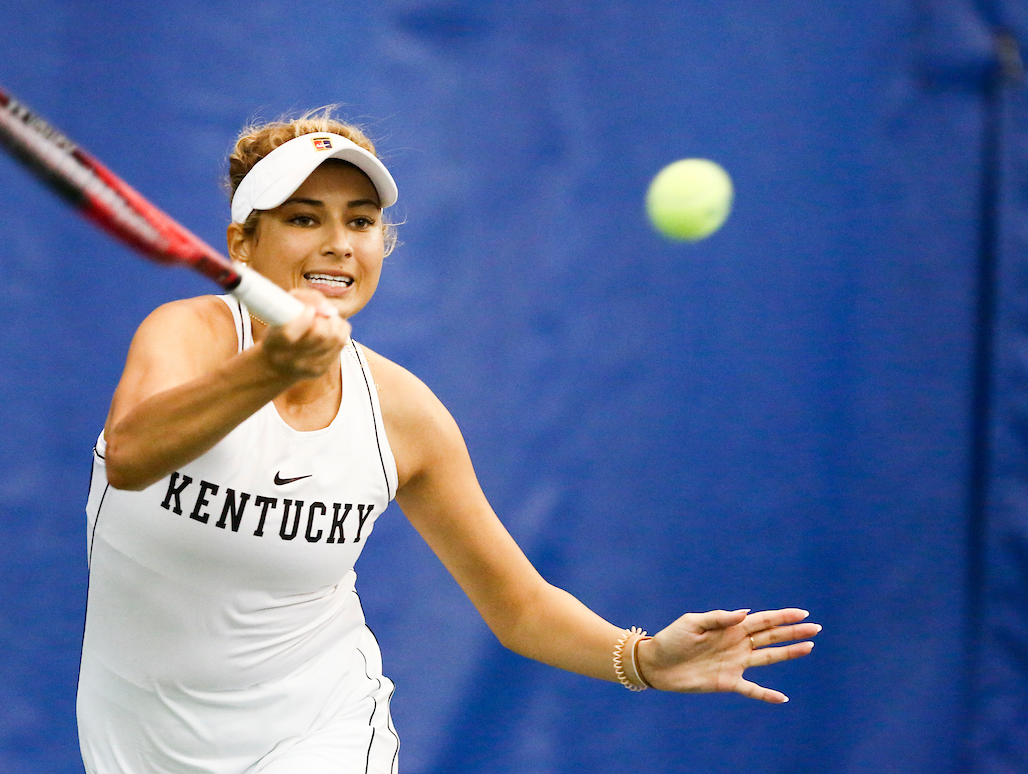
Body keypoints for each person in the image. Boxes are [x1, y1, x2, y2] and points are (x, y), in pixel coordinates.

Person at [76, 110, 821, 774]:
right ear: (244, 241)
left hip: (320, 736)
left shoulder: (403, 414)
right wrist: (266, 371)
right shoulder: (188, 334)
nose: (339, 245)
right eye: (305, 219)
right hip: (135, 742)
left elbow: (518, 605)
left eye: (361, 222)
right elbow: (135, 453)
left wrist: (646, 660)